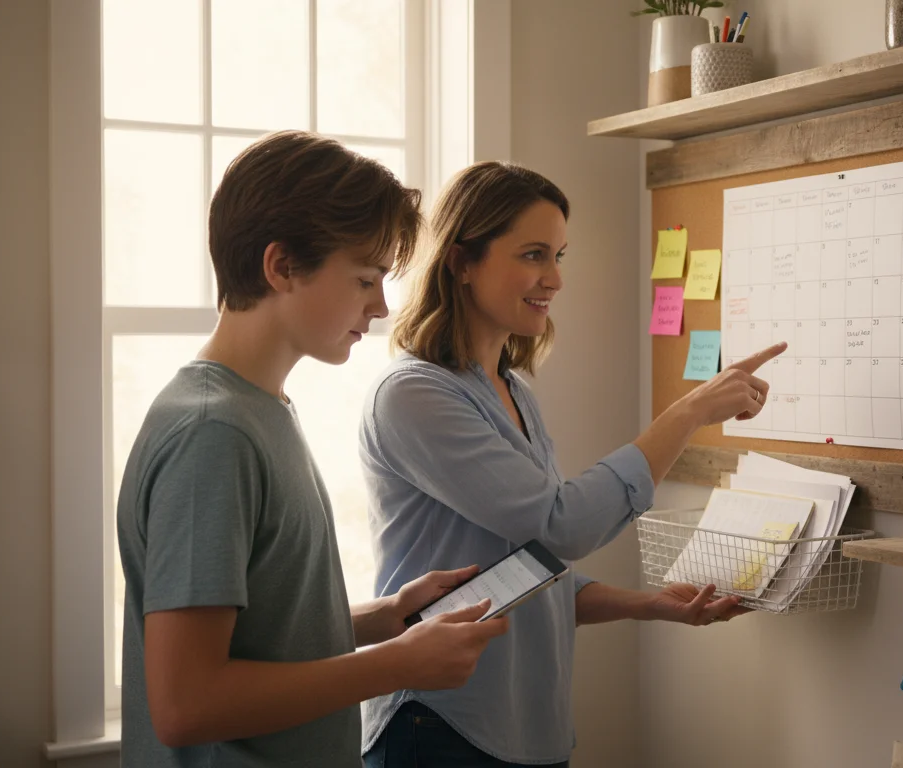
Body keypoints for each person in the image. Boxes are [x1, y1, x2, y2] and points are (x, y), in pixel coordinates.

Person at [358, 161, 787, 767]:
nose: (554, 279)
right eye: (534, 254)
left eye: (560, 255)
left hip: (530, 730)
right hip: (440, 723)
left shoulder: (514, 393)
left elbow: (531, 568)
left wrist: (651, 604)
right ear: (461, 261)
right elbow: (564, 525)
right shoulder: (413, 396)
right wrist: (688, 412)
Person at [116, 132, 507, 768]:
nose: (380, 306)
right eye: (363, 278)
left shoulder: (259, 410)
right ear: (281, 266)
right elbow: (186, 704)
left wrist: (386, 619)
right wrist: (395, 666)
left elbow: (258, 640)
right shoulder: (214, 435)